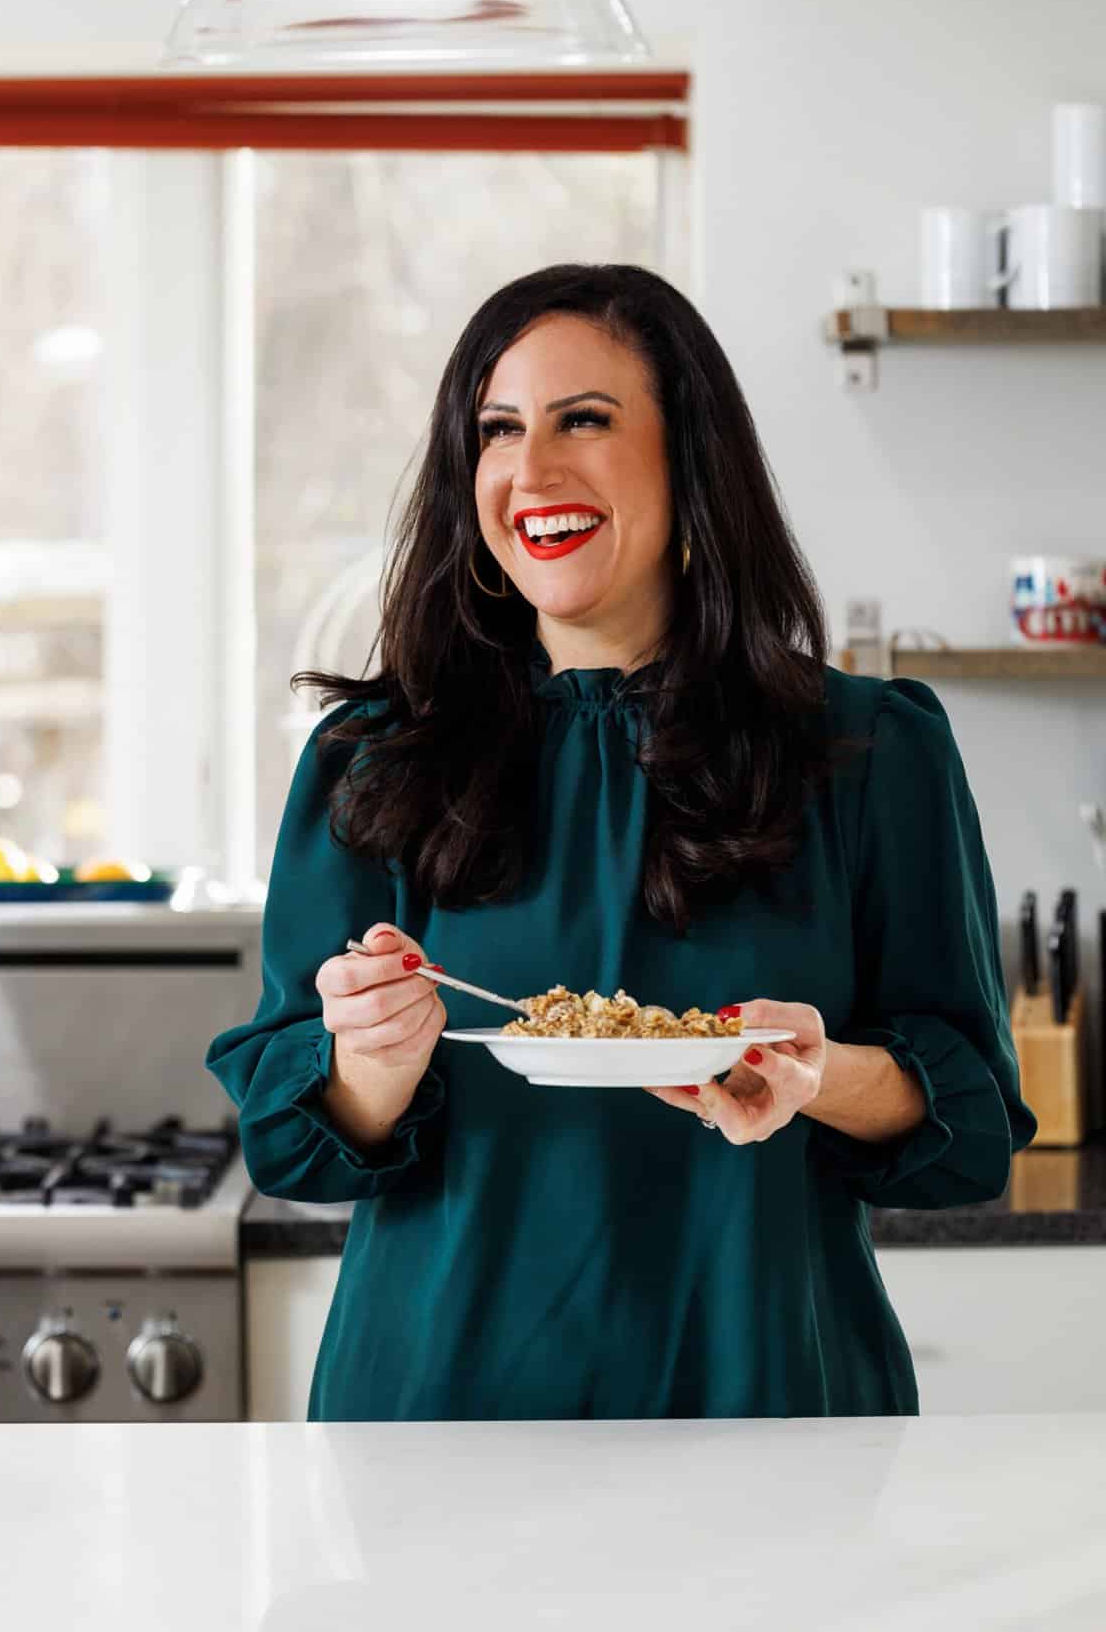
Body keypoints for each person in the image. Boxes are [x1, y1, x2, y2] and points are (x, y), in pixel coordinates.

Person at [206, 263, 1035, 1420]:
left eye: (583, 420)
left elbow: (972, 1135)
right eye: (498, 430)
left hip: (767, 1412)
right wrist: (370, 1067)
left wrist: (818, 1074)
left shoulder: (865, 751)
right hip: (442, 1421)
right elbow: (293, 1146)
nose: (532, 470)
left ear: (689, 454)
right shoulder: (373, 760)